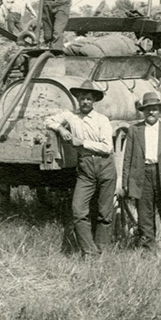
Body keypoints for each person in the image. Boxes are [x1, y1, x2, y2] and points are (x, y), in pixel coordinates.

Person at [44, 80, 114, 256]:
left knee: (104, 213)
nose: (85, 102)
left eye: (88, 99)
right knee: (78, 211)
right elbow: (48, 120)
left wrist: (82, 142)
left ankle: (102, 250)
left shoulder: (101, 120)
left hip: (104, 164)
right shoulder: (71, 116)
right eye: (82, 98)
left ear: (94, 101)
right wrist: (60, 128)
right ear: (78, 100)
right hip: (85, 168)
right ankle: (90, 251)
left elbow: (107, 147)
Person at [121, 92, 161, 252]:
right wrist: (126, 183)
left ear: (160, 111)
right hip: (142, 175)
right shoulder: (135, 130)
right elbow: (127, 158)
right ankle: (148, 249)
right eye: (148, 109)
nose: (151, 112)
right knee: (145, 215)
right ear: (143, 111)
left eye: (154, 109)